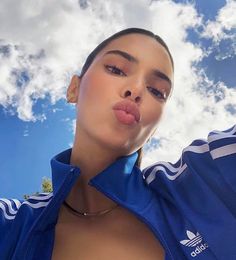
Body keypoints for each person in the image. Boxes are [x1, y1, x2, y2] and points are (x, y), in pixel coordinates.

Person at [0, 28, 235, 260]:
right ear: (74, 89)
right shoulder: (13, 225)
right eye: (116, 69)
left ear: (155, 128)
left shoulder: (203, 185)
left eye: (157, 91)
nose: (136, 90)